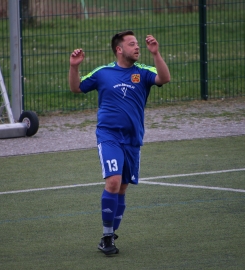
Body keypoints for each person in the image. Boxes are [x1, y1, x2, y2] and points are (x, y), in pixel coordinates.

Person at [68, 30, 170, 255]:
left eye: (138, 44)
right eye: (132, 44)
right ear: (119, 49)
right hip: (109, 136)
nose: (137, 47)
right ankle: (106, 237)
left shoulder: (143, 73)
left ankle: (110, 234)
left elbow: (164, 78)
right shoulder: (103, 73)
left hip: (133, 139)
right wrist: (74, 67)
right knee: (113, 182)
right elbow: (76, 88)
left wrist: (156, 54)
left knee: (122, 189)